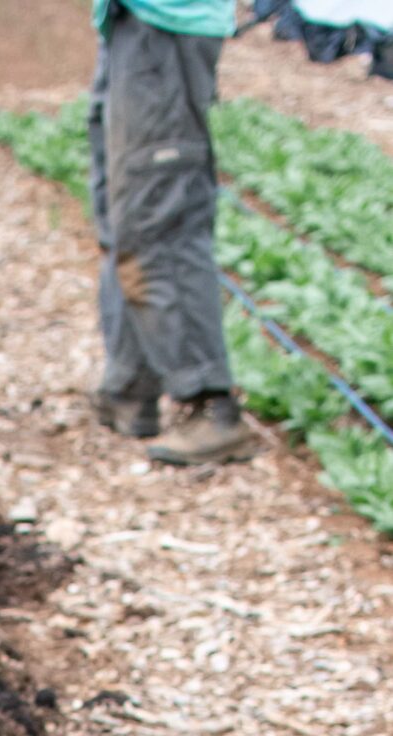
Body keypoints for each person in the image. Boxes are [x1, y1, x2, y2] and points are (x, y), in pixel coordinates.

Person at [88, 0, 255, 467]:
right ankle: (130, 385)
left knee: (159, 213)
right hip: (134, 19)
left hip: (167, 23)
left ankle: (210, 404)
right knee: (121, 204)